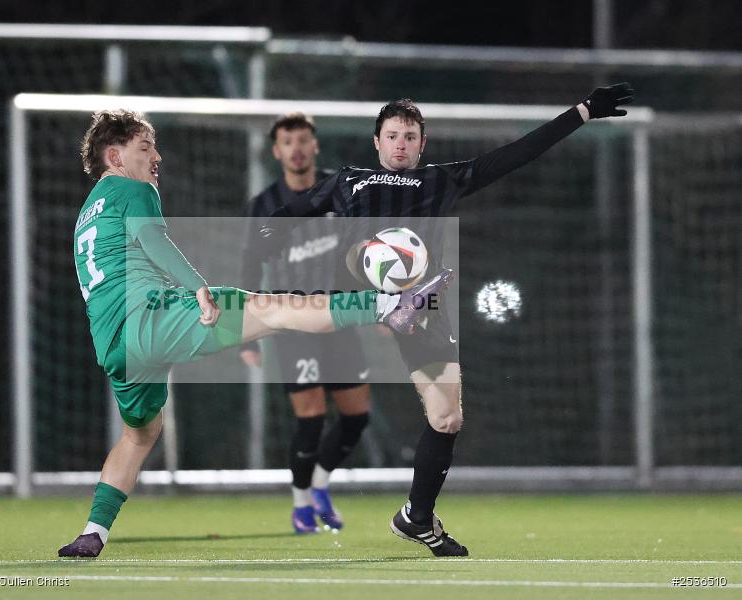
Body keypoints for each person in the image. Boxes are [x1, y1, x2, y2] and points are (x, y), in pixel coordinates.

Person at [260, 83, 636, 557]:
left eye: (410, 136)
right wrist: (267, 234)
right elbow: (285, 215)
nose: (401, 143)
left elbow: (516, 154)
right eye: (392, 135)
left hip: (421, 310)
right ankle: (203, 318)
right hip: (357, 303)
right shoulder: (348, 181)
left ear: (423, 143)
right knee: (286, 339)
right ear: (376, 142)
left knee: (447, 417)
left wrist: (579, 112)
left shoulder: (441, 179)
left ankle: (416, 517)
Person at [58, 109, 448, 558]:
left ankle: (93, 532)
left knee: (139, 436)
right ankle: (389, 304)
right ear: (115, 155)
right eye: (146, 147)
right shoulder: (133, 187)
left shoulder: (88, 211)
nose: (156, 157)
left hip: (115, 347)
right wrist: (197, 289)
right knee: (280, 308)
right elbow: (155, 241)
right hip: (154, 318)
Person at [240, 113, 372, 533]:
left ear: (314, 146)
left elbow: (369, 248)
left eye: (303, 140)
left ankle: (318, 483)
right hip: (293, 324)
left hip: (341, 318)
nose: (296, 148)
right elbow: (248, 268)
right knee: (311, 416)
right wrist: (245, 334)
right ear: (276, 152)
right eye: (287, 142)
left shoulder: (343, 189)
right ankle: (300, 505)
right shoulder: (263, 207)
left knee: (356, 417)